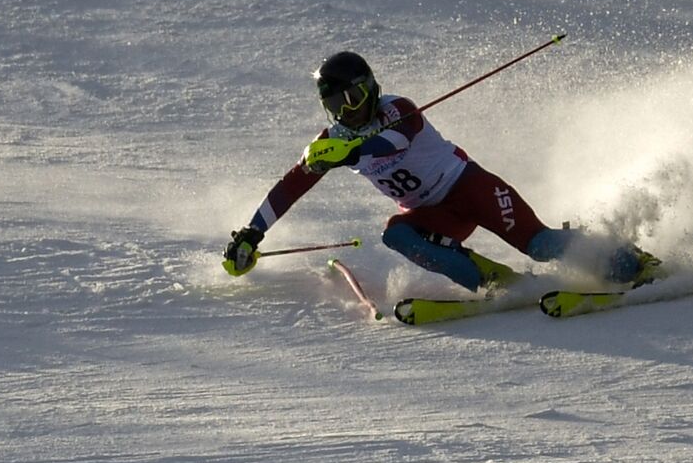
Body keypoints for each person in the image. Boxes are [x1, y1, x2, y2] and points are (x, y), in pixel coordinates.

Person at [221, 50, 660, 292]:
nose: (347, 111)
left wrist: (348, 155)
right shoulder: (331, 142)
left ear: (369, 87)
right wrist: (252, 233)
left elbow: (393, 140)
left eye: (352, 98)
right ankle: (494, 283)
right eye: (336, 105)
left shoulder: (398, 109)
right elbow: (289, 188)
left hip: (469, 187)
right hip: (434, 213)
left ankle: (629, 261)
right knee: (396, 232)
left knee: (540, 245)